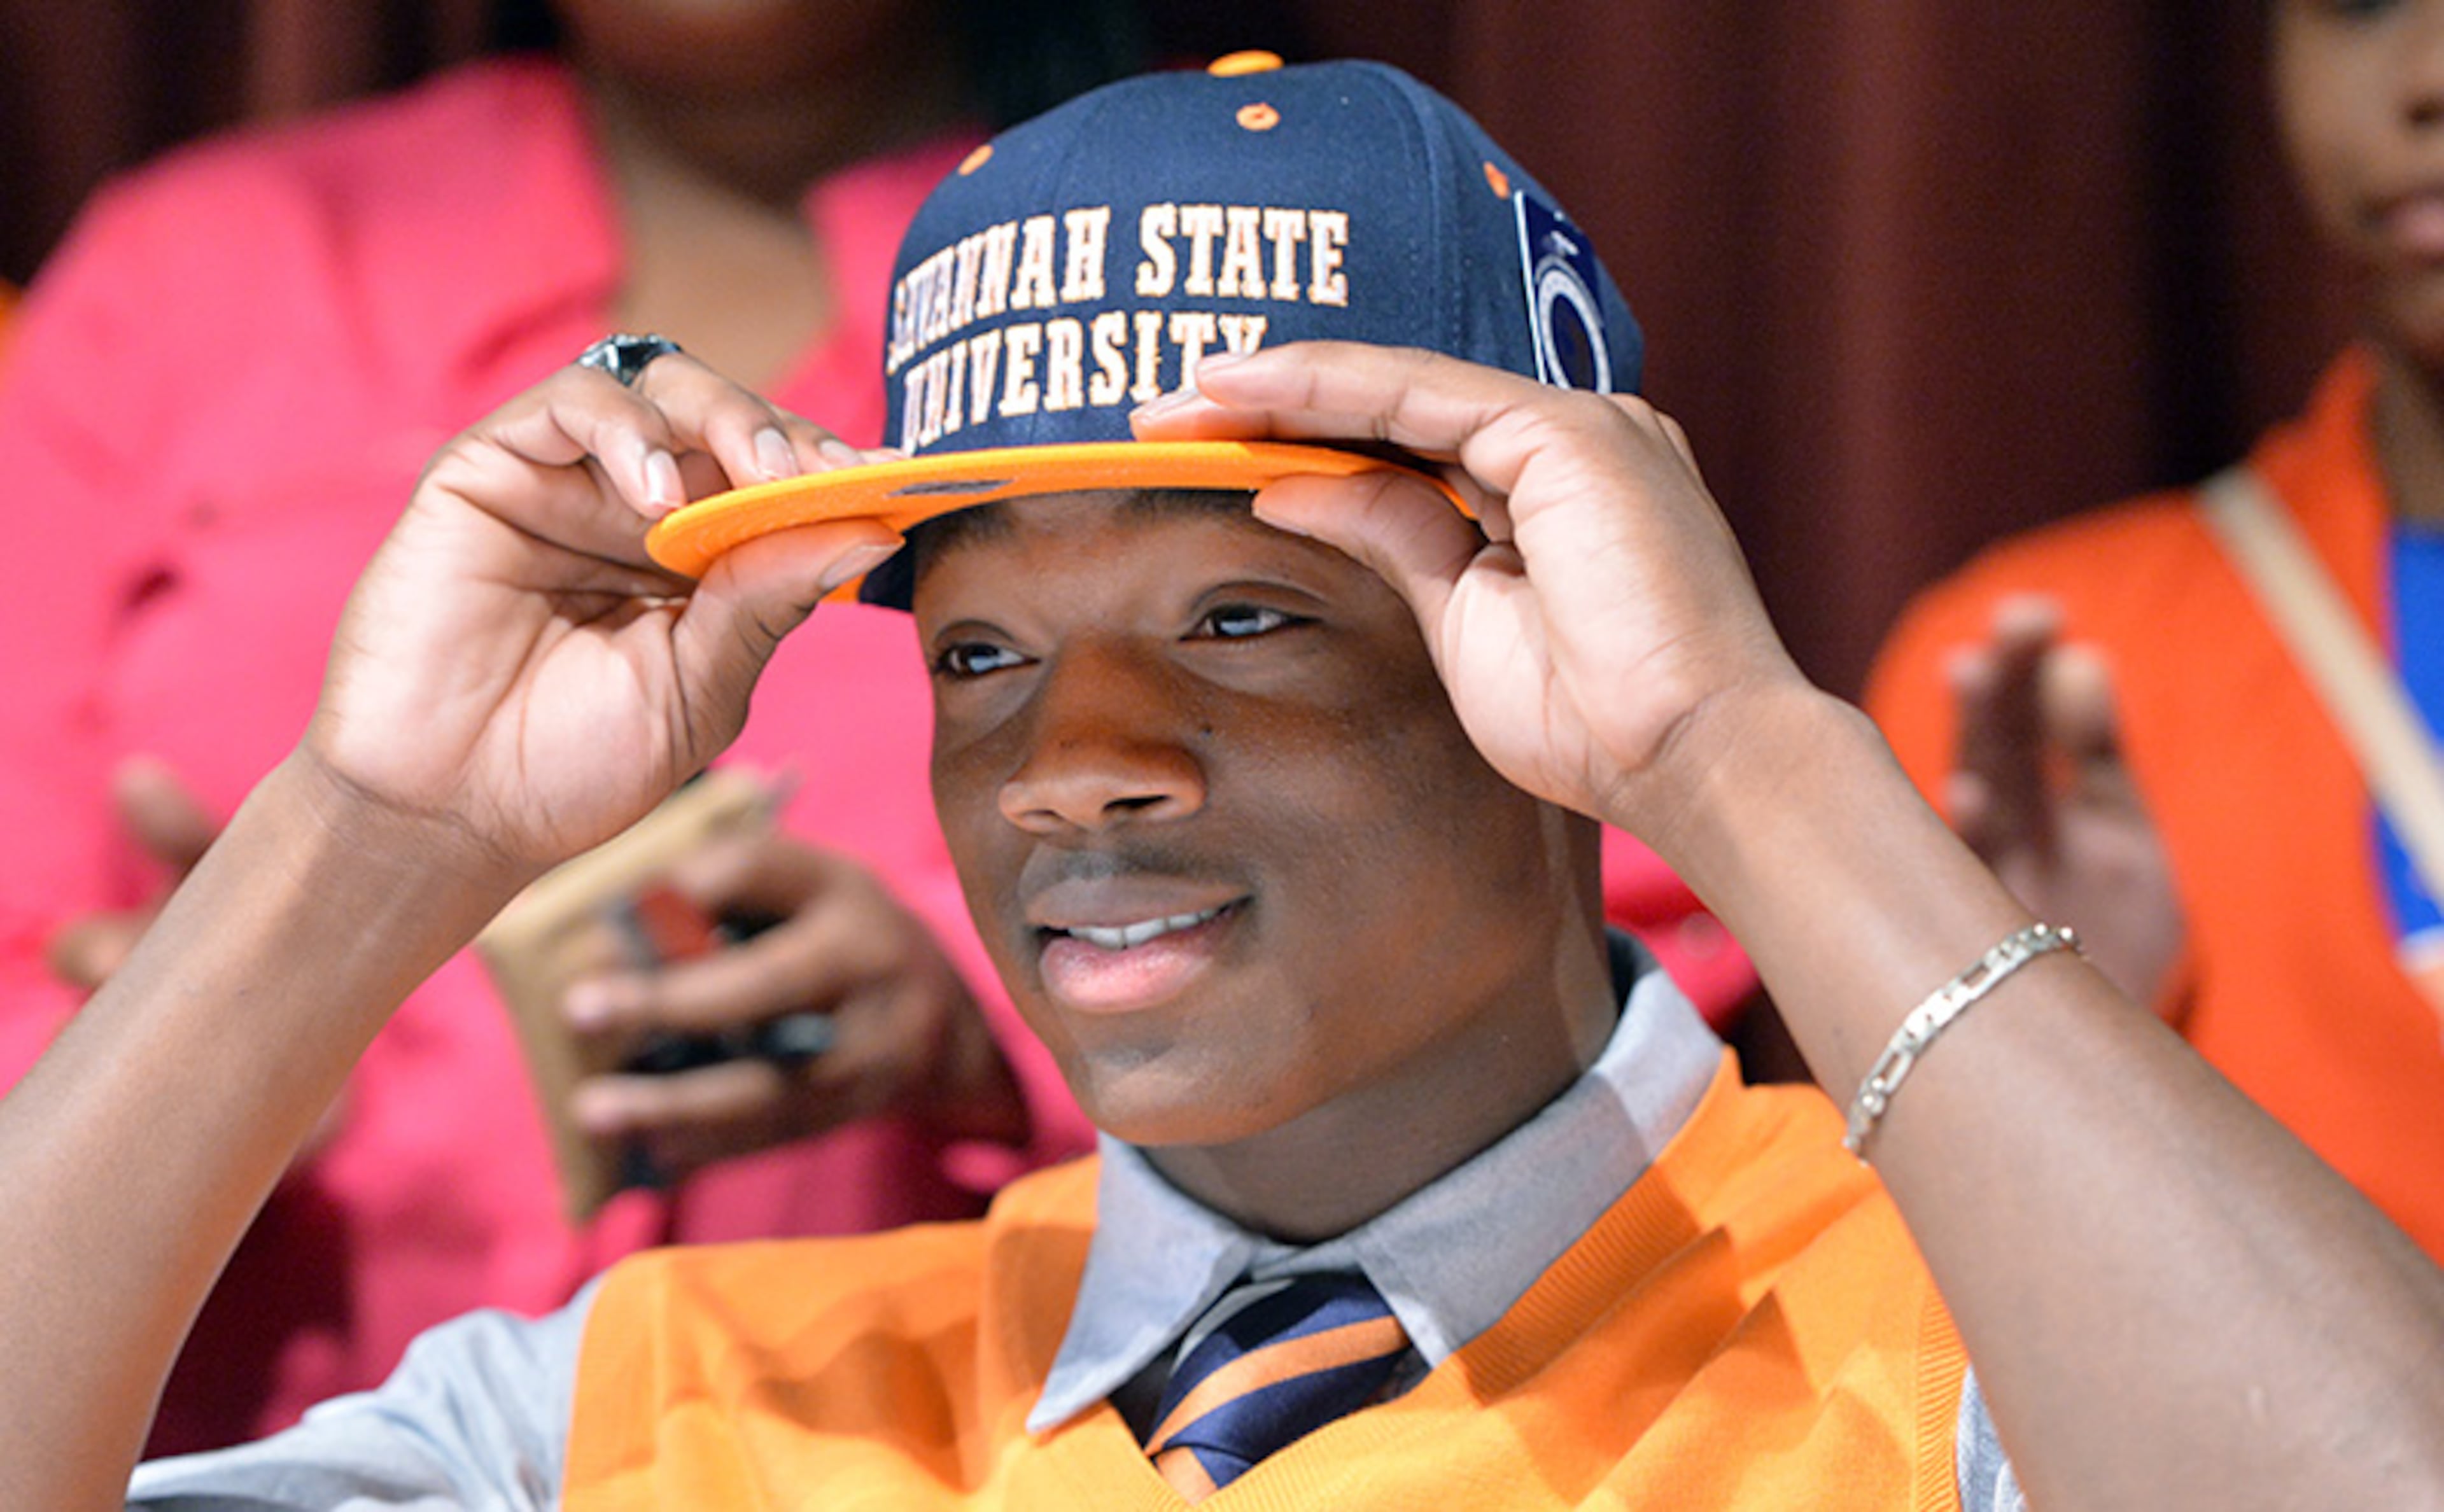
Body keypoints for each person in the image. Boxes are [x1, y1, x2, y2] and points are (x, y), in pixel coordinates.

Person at [17, 53, 2431, 1512]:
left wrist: (1737, 749)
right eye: (978, 651)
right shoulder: (665, 1405)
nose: (1073, 768)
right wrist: (373, 840)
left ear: (1547, 616)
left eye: (1242, 617)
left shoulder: (1987, 1327)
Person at [0, 0, 1155, 1454]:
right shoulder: (198, 271)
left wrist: (994, 1023)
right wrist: (222, 1012)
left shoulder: (1201, 253)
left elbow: (1459, 936)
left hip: (948, 1442)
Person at [1862, 0, 2444, 1263]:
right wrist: (2055, 1070)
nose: (2428, 76)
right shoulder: (2046, 682)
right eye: (2357, 4)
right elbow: (1933, 1353)